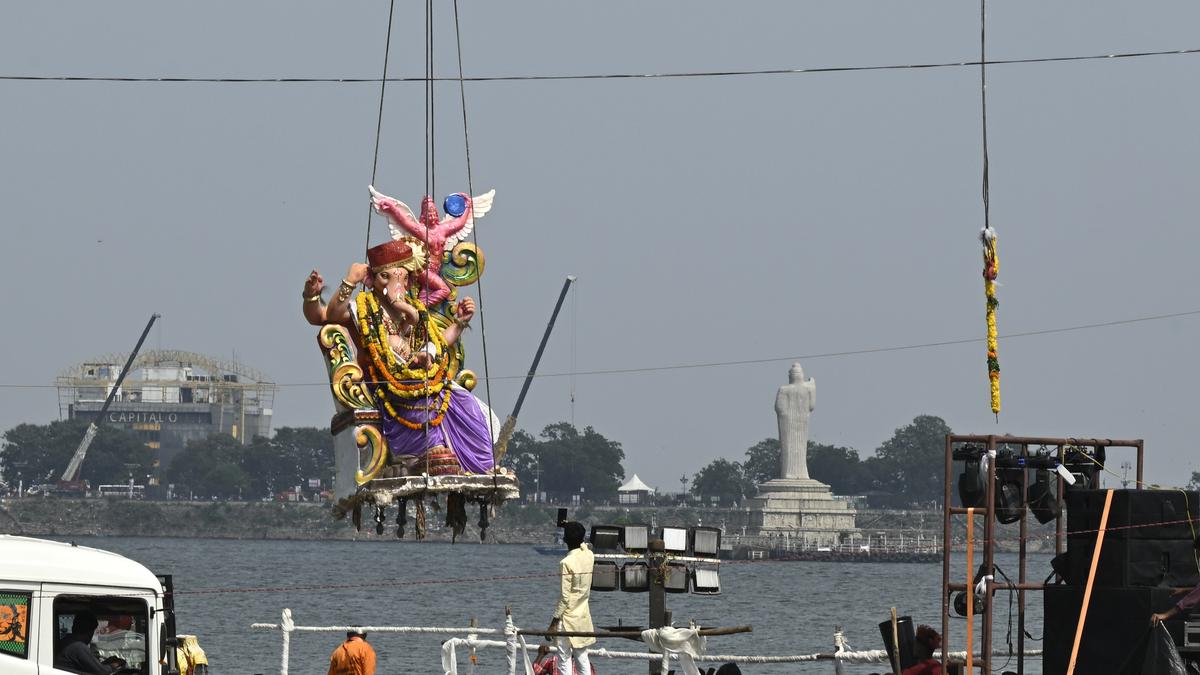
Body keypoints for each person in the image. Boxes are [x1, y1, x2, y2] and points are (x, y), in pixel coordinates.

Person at [537, 521, 595, 675]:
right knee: (582, 658)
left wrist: (553, 624)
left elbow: (564, 598)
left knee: (564, 660)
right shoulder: (589, 555)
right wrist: (569, 525)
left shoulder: (566, 563)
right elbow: (582, 543)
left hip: (567, 619)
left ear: (564, 540)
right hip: (582, 617)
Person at [54, 612, 124, 675]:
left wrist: (106, 662)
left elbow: (91, 667)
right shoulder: (78, 647)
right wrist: (116, 664)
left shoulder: (67, 642)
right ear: (90, 632)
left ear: (73, 627)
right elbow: (101, 672)